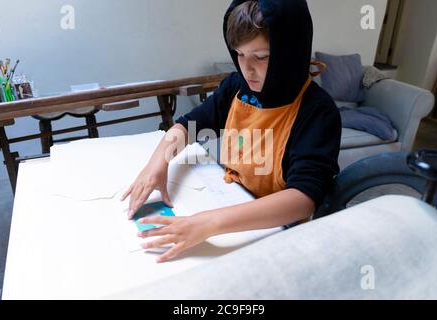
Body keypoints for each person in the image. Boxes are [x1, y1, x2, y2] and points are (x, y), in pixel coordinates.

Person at [121, 0, 342, 263]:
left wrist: (210, 223)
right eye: (239, 54)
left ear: (291, 52)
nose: (246, 68)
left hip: (279, 231)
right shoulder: (236, 86)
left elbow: (303, 198)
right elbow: (189, 125)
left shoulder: (318, 111)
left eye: (261, 57)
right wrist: (157, 163)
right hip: (232, 198)